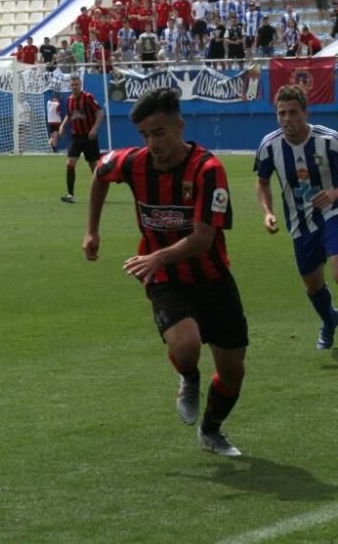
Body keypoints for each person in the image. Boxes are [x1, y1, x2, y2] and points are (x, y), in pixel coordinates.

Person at [83, 87, 248, 456]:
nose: (152, 142)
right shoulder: (133, 162)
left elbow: (204, 239)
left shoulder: (208, 170)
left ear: (180, 125)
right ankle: (188, 377)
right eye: (144, 135)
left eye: (159, 133)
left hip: (213, 276)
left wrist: (157, 257)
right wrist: (92, 230)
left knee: (233, 370)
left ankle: (211, 430)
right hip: (165, 277)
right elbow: (99, 174)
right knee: (187, 346)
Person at [254, 85, 338, 349]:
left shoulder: (329, 141)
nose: (287, 119)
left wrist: (334, 193)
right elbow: (263, 182)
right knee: (313, 285)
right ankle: (329, 321)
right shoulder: (269, 146)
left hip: (334, 212)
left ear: (306, 113)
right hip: (300, 222)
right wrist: (267, 212)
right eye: (282, 113)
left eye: (293, 112)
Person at [57, 74, 103, 203]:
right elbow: (69, 115)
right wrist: (62, 126)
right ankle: (70, 194)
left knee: (93, 166)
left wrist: (94, 129)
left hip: (89, 136)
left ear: (80, 85)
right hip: (76, 136)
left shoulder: (88, 97)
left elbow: (100, 113)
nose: (74, 87)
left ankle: (100, 193)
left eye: (76, 84)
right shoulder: (69, 99)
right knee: (70, 163)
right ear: (70, 86)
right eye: (72, 85)